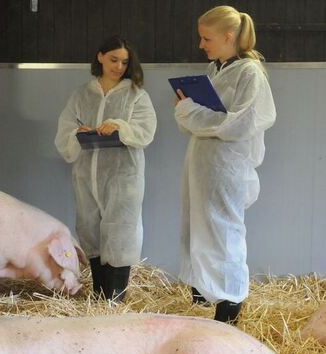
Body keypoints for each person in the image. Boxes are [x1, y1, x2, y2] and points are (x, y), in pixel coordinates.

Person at [174, 6, 276, 324]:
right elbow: (203, 121)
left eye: (207, 38)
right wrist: (189, 112)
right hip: (205, 165)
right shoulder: (216, 69)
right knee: (202, 229)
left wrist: (188, 111)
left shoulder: (249, 72)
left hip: (226, 168)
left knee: (224, 234)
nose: (202, 45)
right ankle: (208, 293)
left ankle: (230, 303)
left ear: (228, 36)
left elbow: (240, 125)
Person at [55, 35, 157, 303]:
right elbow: (65, 129)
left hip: (124, 177)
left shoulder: (136, 96)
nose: (119, 67)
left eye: (124, 62)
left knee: (121, 233)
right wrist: (78, 131)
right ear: (100, 57)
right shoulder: (81, 94)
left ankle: (116, 302)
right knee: (91, 231)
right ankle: (100, 299)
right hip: (87, 176)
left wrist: (120, 126)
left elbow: (145, 132)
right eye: (113, 60)